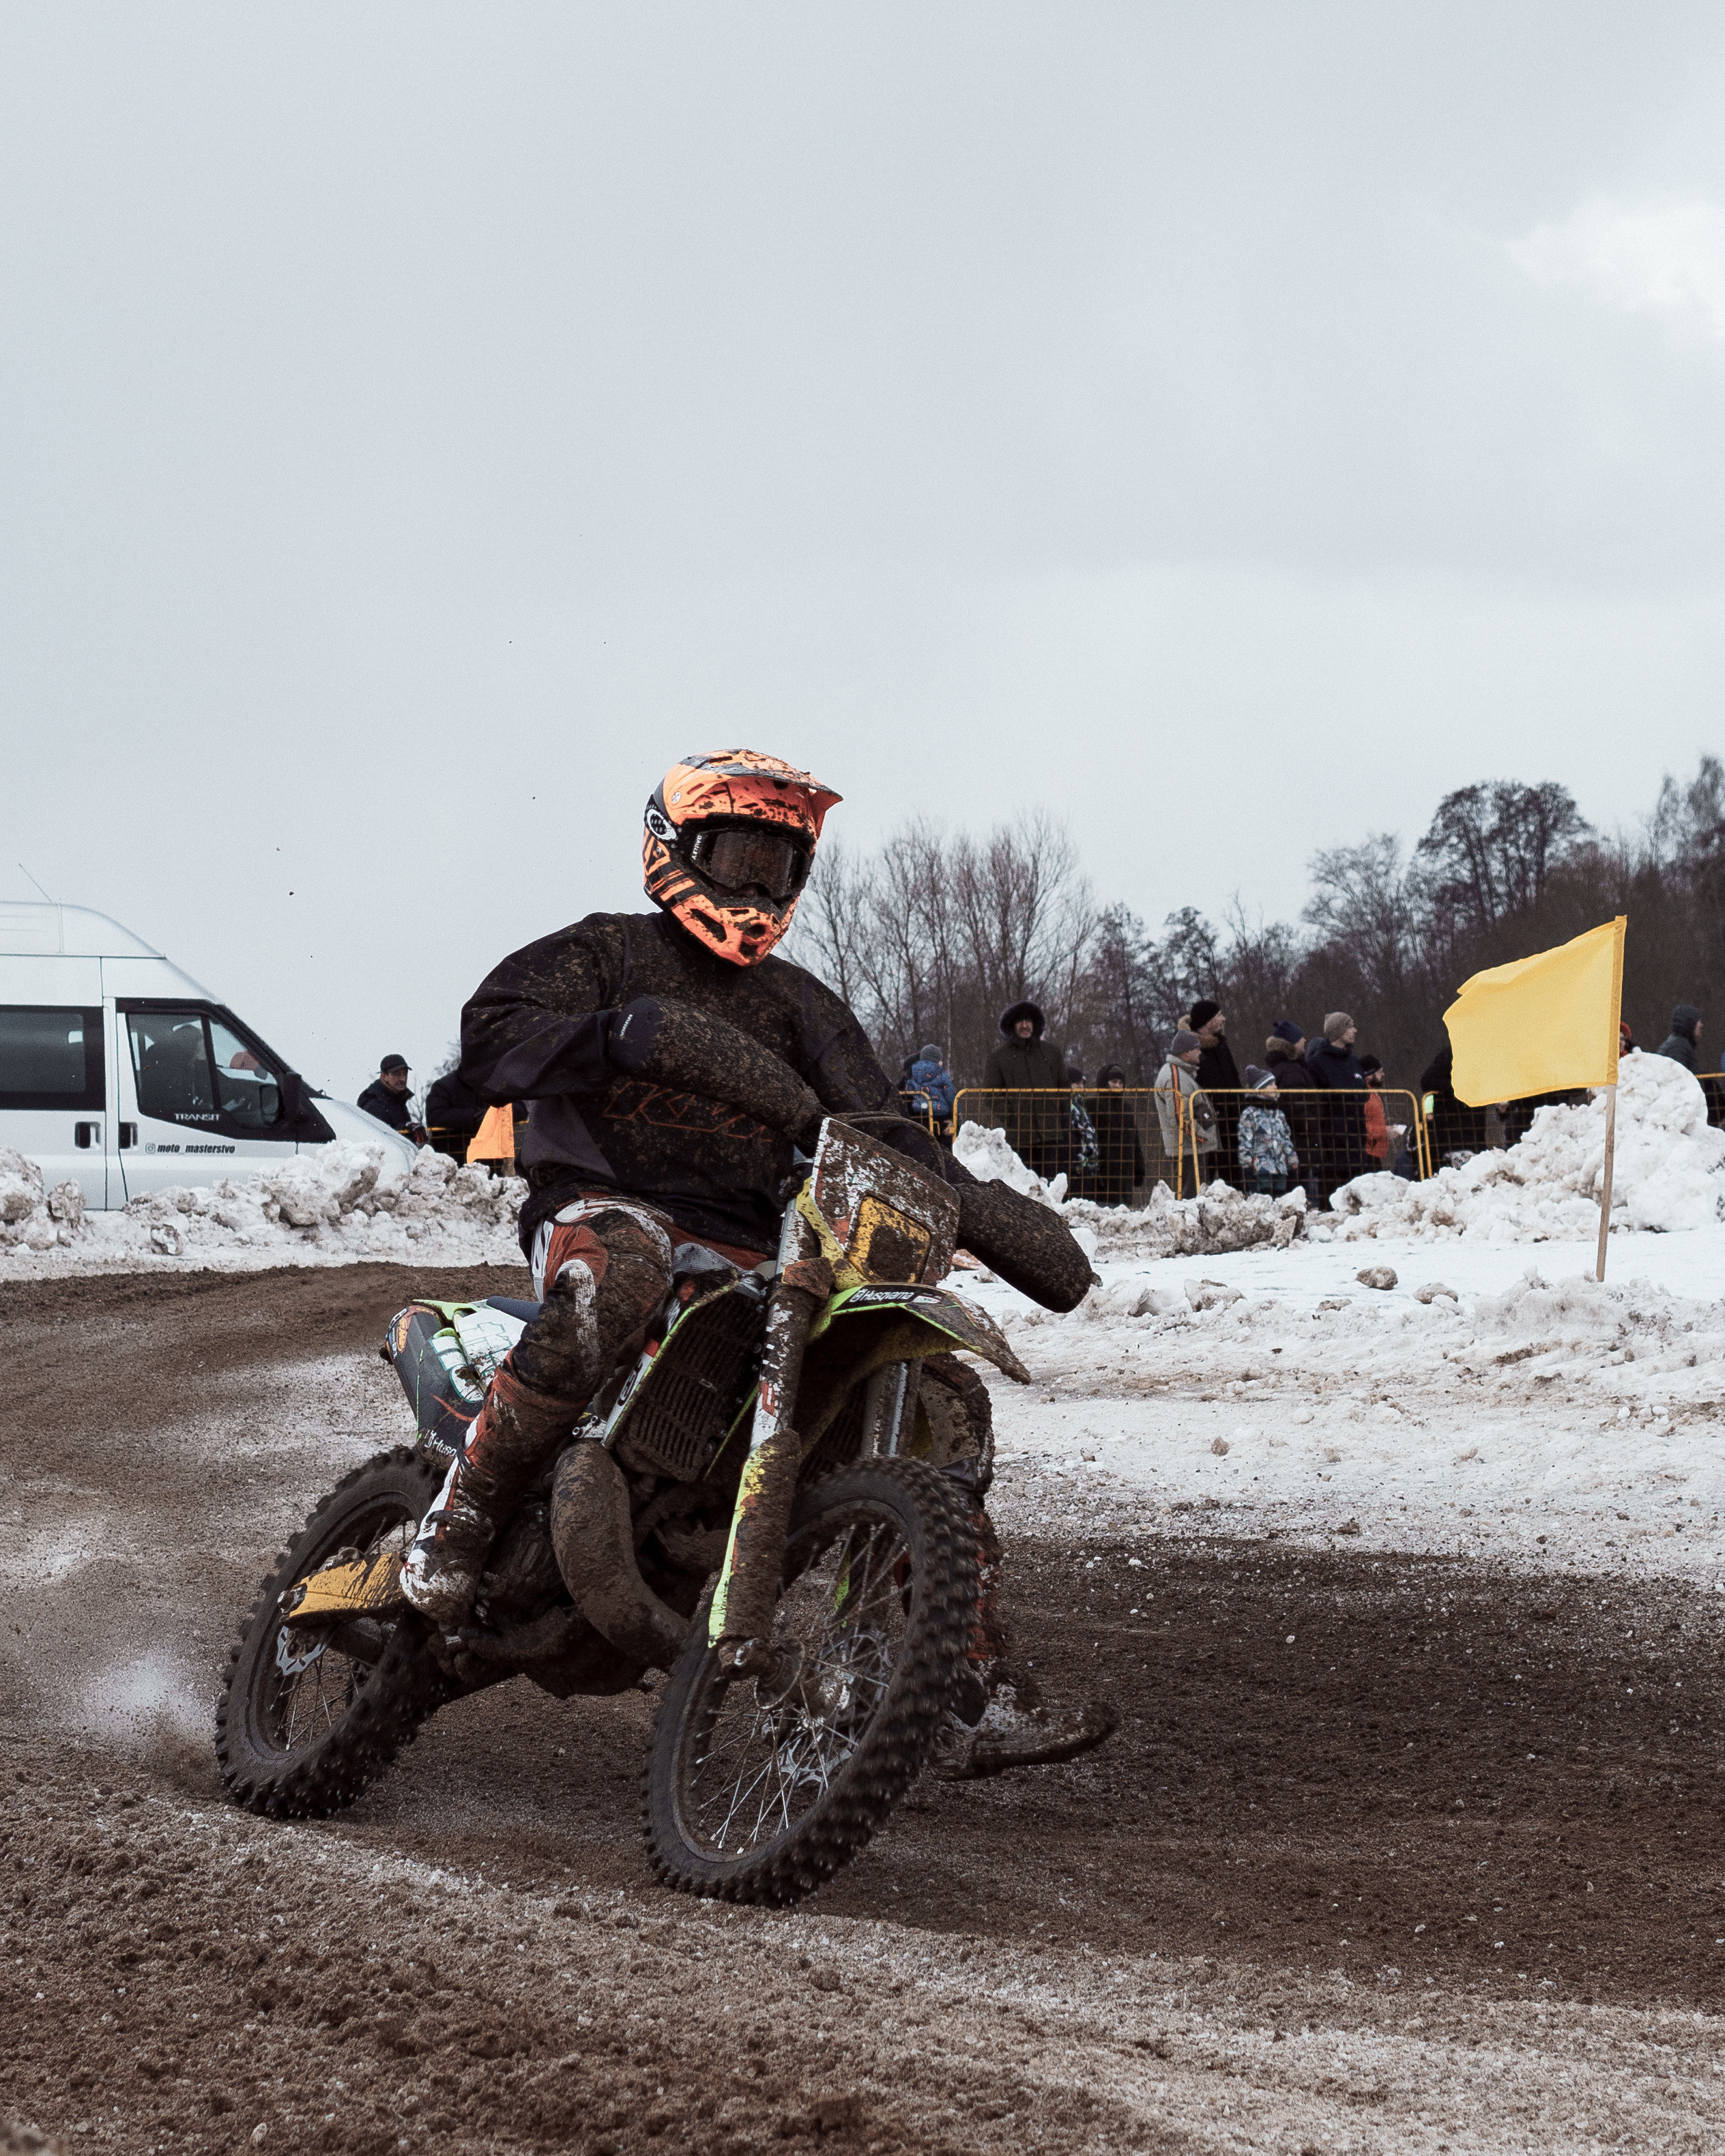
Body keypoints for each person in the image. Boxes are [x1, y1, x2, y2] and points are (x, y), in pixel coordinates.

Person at [401, 748, 1114, 1777]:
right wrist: (618, 1036)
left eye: (777, 869)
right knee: (624, 1274)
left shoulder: (803, 1007)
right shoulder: (604, 952)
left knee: (942, 1398)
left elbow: (877, 1121)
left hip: (756, 1241)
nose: (752, 888)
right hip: (609, 1203)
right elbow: (490, 1039)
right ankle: (460, 1514)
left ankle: (950, 1674)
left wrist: (980, 1208)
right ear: (676, 851)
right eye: (733, 856)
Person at [982, 1000, 1069, 1179]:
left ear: (1035, 1023)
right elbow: (991, 1093)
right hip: (1020, 1136)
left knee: (1052, 1188)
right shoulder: (998, 1058)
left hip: (1051, 1133)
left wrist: (1059, 1112)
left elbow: (1064, 1087)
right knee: (1024, 1188)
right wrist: (1010, 1115)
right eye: (1020, 1021)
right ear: (1012, 1026)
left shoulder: (1052, 1052)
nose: (1024, 1025)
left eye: (1028, 1021)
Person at [1305, 1013, 1367, 1204]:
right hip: (1331, 1141)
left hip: (1356, 1138)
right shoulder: (1318, 1062)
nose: (1355, 1030)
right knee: (1333, 1198)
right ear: (1340, 1032)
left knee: (1356, 1196)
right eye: (1351, 1027)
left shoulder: (1353, 1060)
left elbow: (1364, 1093)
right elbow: (1318, 1101)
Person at [1262, 1022, 1323, 1200]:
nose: (1304, 1040)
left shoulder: (1287, 1069)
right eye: (1300, 1038)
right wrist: (1314, 1126)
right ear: (1291, 1043)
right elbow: (1298, 1111)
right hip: (1301, 1145)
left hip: (1293, 1146)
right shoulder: (1292, 1073)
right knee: (1304, 1195)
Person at [1187, 1000, 1241, 1187]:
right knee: (1207, 1180)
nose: (1224, 1019)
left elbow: (1235, 1081)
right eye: (1219, 1015)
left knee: (1235, 1176)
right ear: (1208, 1021)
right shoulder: (1192, 1051)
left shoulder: (1222, 1046)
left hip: (1232, 1122)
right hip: (1207, 1125)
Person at [1153, 1029, 1216, 1188]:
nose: (1200, 1052)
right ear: (1186, 1053)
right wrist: (1202, 1138)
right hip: (1188, 1150)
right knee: (1192, 1197)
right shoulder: (1175, 1075)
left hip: (1192, 1148)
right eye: (1197, 1049)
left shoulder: (1182, 1073)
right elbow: (1179, 1117)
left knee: (1198, 1194)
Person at [1419, 1040, 1489, 1167]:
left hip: (1475, 1131)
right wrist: (1457, 1088)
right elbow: (1427, 1081)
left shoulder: (1483, 1056)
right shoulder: (1450, 1055)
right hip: (1450, 1131)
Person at [1236, 1066, 1299, 1195]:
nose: (1275, 1087)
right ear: (1260, 1088)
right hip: (1261, 1168)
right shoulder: (1250, 1113)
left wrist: (1292, 1161)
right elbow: (1246, 1141)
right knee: (1264, 1199)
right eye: (1271, 1084)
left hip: (1280, 1167)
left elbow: (1286, 1140)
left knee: (1280, 1199)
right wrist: (1247, 1165)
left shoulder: (1279, 1113)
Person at [1089, 1064, 1144, 1207]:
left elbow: (1135, 1140)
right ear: (1104, 1082)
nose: (1117, 1086)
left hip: (1125, 1173)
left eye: (1121, 1083)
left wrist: (1139, 1168)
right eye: (1113, 1082)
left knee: (1123, 1214)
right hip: (1102, 1172)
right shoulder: (1092, 1105)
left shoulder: (1127, 1108)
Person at [424, 1065, 490, 1160]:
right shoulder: (443, 1086)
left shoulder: (497, 1083)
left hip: (494, 1162)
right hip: (454, 1163)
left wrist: (497, 1115)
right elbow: (435, 1117)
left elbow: (518, 1103)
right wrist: (473, 1117)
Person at [358, 1055, 427, 1143]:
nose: (402, 1079)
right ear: (384, 1076)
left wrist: (410, 1129)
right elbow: (380, 1139)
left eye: (404, 1073)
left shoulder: (397, 1100)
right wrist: (405, 1132)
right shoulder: (374, 1105)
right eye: (396, 1074)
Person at [1063, 1068, 1100, 1195]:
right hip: (1077, 1165)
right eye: (1077, 1084)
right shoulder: (1068, 1107)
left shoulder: (1079, 1106)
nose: (1081, 1087)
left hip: (1087, 1164)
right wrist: (1077, 1158)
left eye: (1082, 1084)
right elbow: (1071, 1136)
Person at [906, 1042, 957, 1132]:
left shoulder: (914, 1073)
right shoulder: (942, 1074)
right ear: (937, 1060)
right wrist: (957, 1117)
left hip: (919, 1112)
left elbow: (909, 1089)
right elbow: (951, 1096)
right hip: (940, 1114)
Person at [1657, 1004, 1704, 1073]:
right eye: (1698, 1021)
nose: (1701, 1025)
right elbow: (1678, 1076)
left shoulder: (1678, 1043)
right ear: (1690, 1023)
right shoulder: (1679, 1046)